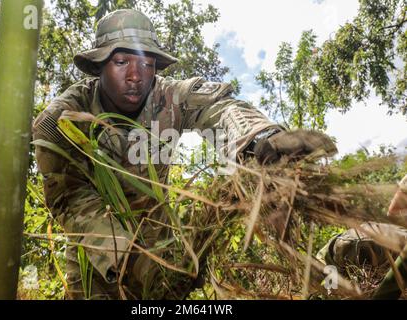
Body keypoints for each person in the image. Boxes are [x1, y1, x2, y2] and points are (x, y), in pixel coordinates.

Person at [32, 9, 336, 299]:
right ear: (99, 66)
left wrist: (260, 140)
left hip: (161, 243)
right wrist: (133, 259)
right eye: (122, 61)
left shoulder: (169, 97)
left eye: (146, 63)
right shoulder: (63, 119)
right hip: (98, 261)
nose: (137, 75)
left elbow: (218, 107)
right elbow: (69, 199)